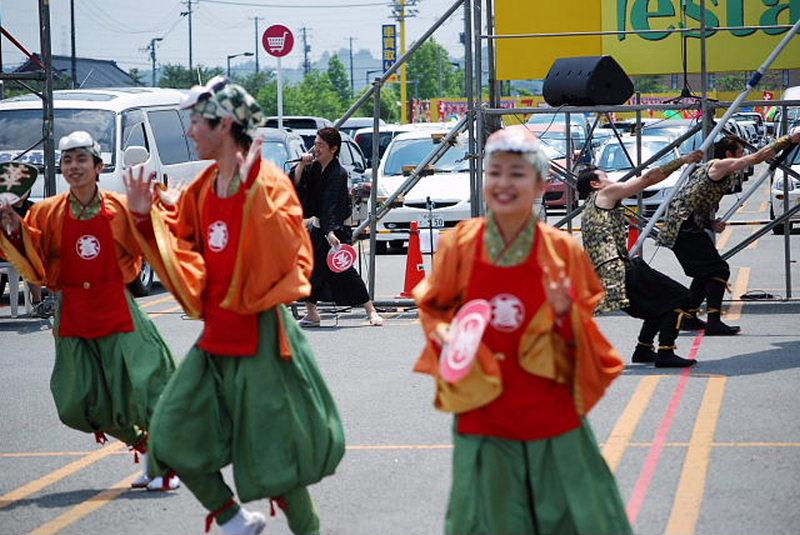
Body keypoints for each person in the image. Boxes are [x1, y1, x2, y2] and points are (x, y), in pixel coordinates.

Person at [124, 76, 344, 535]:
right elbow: (177, 246)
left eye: (195, 123)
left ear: (223, 124)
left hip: (262, 338)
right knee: (168, 436)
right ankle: (233, 519)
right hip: (216, 338)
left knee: (276, 462)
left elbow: (289, 254)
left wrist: (254, 196)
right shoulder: (205, 186)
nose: (189, 132)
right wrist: (145, 217)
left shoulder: (267, 181)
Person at [413, 126, 632, 535]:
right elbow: (434, 309)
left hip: (550, 412)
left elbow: (584, 341)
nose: (503, 183)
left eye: (517, 173)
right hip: (485, 411)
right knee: (491, 523)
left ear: (540, 184)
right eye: (495, 172)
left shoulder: (563, 251)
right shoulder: (458, 245)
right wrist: (450, 338)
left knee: (572, 520)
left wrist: (566, 314)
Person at [0, 131, 178, 491]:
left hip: (118, 310)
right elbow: (33, 258)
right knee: (78, 404)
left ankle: (161, 462)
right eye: (68, 160)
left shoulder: (120, 207)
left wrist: (154, 211)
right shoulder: (48, 211)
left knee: (147, 386)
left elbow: (154, 239)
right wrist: (12, 227)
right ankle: (143, 445)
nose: (74, 167)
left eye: (82, 160)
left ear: (98, 167)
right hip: (73, 316)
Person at [656, 130, 800, 335]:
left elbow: (695, 199)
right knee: (718, 270)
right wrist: (788, 140)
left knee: (704, 272)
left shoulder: (717, 169)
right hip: (683, 225)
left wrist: (710, 222)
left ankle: (687, 316)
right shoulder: (719, 165)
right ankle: (713, 321)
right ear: (729, 154)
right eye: (740, 152)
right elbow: (757, 157)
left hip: (688, 224)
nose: (742, 156)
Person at [577, 149, 704, 368]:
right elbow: (648, 179)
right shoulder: (605, 194)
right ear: (595, 184)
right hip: (617, 269)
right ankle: (665, 353)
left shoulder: (591, 204)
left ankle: (644, 349)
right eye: (605, 176)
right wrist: (683, 160)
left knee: (658, 304)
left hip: (610, 271)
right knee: (680, 297)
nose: (610, 179)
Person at [292, 127, 383, 327]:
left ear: (333, 149)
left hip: (335, 229)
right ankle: (312, 313)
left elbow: (330, 205)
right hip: (319, 228)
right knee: (311, 270)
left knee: (344, 270)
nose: (316, 149)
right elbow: (298, 185)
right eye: (315, 145)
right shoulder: (314, 168)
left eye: (321, 145)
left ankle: (371, 310)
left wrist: (330, 231)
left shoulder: (338, 173)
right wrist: (300, 165)